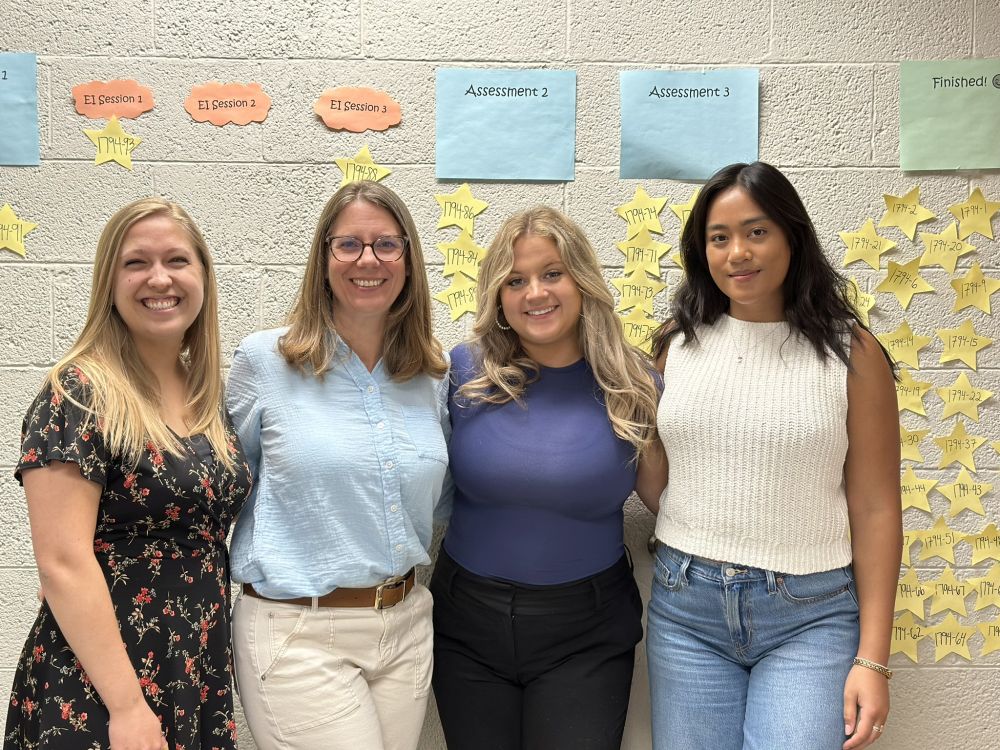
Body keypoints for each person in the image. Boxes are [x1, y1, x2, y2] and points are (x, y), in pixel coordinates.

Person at [647, 161, 901, 750]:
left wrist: (874, 659)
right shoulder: (676, 344)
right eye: (719, 237)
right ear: (701, 250)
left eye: (757, 232)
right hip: (686, 608)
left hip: (810, 615)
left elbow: (876, 508)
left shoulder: (852, 352)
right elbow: (658, 471)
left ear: (792, 235)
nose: (738, 252)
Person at [4, 198, 252, 750]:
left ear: (204, 277)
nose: (159, 278)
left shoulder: (205, 398)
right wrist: (127, 707)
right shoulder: (78, 393)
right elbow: (62, 563)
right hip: (103, 684)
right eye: (136, 262)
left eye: (177, 261)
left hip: (193, 672)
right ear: (109, 282)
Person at [431, 206, 666, 750]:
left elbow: (666, 501)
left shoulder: (635, 382)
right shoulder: (464, 372)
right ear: (497, 296)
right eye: (515, 280)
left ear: (582, 281)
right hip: (466, 624)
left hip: (586, 631)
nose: (535, 292)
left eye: (552, 273)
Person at [226, 180, 449, 750]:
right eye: (348, 244)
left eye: (386, 245)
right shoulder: (264, 363)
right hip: (298, 630)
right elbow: (220, 486)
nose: (367, 260)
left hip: (404, 624)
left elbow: (439, 497)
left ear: (409, 259)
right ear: (324, 259)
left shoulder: (430, 376)